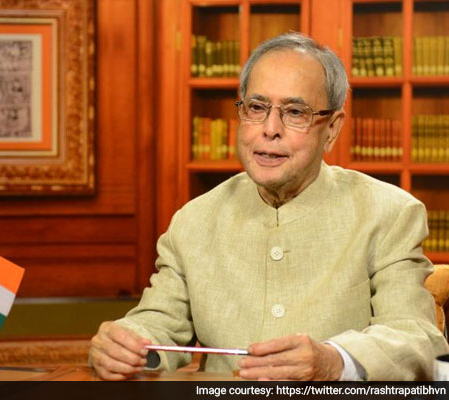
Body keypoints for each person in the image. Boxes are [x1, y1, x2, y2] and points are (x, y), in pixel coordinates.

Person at [89, 32, 449, 381]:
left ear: (333, 129)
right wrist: (125, 344)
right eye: (257, 107)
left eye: (295, 112)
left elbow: (416, 338)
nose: (270, 129)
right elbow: (156, 325)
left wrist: (334, 362)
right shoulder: (193, 221)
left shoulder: (389, 213)